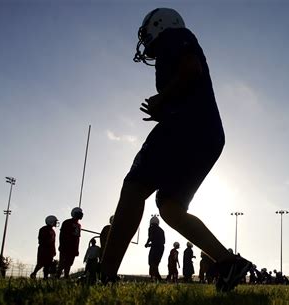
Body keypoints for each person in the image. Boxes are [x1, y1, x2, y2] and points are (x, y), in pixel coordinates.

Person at [99, 7, 251, 292]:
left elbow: (191, 69)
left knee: (134, 187)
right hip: (207, 134)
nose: (145, 41)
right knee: (170, 208)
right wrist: (164, 107)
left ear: (159, 25)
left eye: (146, 33)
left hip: (188, 125)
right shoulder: (175, 44)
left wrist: (162, 100)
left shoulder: (175, 36)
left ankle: (104, 275)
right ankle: (228, 262)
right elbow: (189, 84)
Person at [56, 207, 83, 279]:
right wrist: (61, 244)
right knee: (62, 262)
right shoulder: (67, 222)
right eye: (78, 213)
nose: (80, 215)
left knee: (70, 262)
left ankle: (66, 276)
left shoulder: (79, 225)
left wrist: (77, 248)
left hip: (73, 246)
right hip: (66, 245)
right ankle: (57, 276)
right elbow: (62, 235)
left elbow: (77, 238)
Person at [144, 215, 165, 281]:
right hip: (161, 248)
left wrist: (147, 244)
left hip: (155, 247)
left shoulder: (151, 228)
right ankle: (157, 277)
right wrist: (151, 245)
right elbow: (163, 241)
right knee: (156, 263)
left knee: (152, 262)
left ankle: (154, 277)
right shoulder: (161, 230)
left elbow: (150, 237)